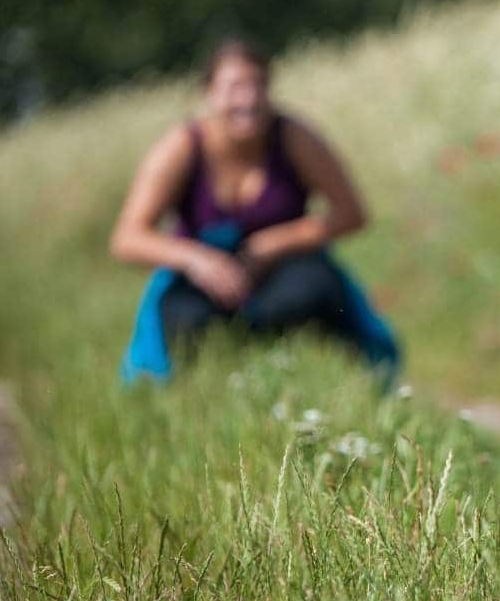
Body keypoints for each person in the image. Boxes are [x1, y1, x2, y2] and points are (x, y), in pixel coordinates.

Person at [111, 38, 399, 384]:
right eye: (234, 87)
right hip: (202, 275)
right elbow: (127, 237)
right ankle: (210, 391)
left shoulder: (294, 137)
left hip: (284, 269)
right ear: (209, 93)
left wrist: (275, 243)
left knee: (315, 291)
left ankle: (331, 381)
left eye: (257, 85)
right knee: (184, 317)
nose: (247, 99)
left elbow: (352, 214)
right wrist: (197, 260)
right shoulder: (182, 147)